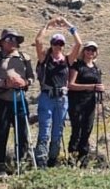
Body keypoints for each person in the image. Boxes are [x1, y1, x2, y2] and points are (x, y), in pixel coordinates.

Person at [33, 18, 81, 168]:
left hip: (61, 99)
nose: (58, 46)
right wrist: (47, 25)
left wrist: (68, 25)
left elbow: (79, 44)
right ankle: (41, 161)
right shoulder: (45, 58)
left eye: (60, 44)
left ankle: (52, 160)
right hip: (47, 97)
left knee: (57, 131)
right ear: (51, 44)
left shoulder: (67, 60)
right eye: (55, 43)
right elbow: (38, 40)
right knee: (44, 129)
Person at [0, 28, 35, 173]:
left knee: (22, 132)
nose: (12, 42)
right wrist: (4, 83)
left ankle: (22, 162)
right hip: (1, 100)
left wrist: (25, 83)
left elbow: (31, 77)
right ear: (2, 42)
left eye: (15, 39)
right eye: (9, 39)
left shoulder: (24, 57)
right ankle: (0, 164)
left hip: (20, 99)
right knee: (0, 132)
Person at [67, 41, 105, 158]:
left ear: (96, 53)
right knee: (77, 130)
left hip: (91, 103)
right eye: (88, 49)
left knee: (87, 129)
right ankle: (72, 156)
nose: (90, 52)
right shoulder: (77, 65)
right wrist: (91, 87)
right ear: (83, 51)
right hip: (76, 102)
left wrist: (100, 89)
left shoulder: (96, 68)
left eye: (93, 50)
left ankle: (83, 157)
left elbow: (98, 84)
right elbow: (70, 85)